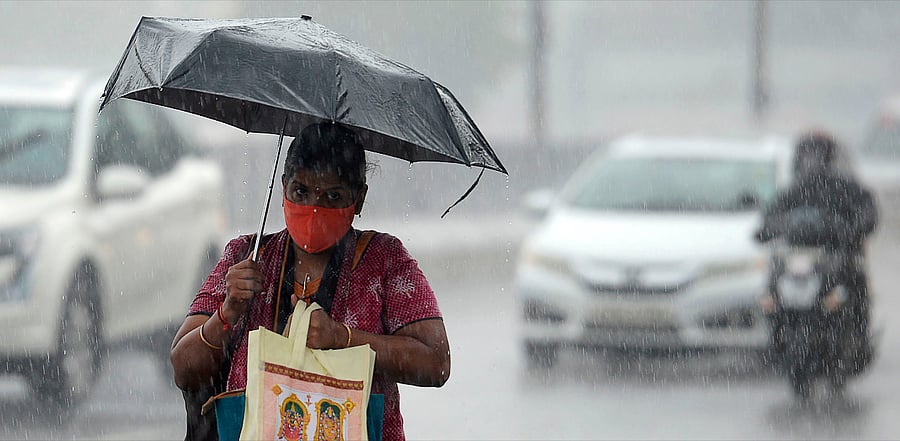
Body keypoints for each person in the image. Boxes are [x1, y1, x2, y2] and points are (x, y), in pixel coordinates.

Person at [171, 122, 451, 441]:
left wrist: (342, 338)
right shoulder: (246, 256)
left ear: (358, 200)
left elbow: (436, 362)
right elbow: (183, 366)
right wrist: (228, 312)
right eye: (301, 192)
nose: (314, 208)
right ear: (282, 188)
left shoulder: (383, 260)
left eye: (333, 196)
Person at [755, 130, 877, 361]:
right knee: (771, 293)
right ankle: (777, 338)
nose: (812, 160)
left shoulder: (846, 188)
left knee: (857, 286)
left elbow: (867, 213)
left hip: (837, 257)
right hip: (800, 259)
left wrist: (853, 229)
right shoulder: (794, 191)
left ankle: (857, 342)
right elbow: (771, 218)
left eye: (817, 153)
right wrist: (766, 230)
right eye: (808, 154)